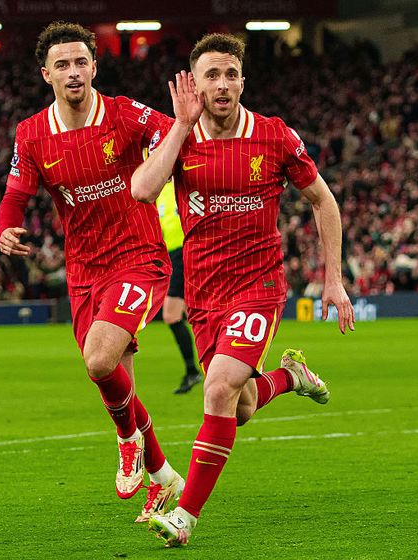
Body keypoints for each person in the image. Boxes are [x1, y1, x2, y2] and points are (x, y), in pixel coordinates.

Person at [131, 33, 355, 547]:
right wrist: (181, 124)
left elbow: (324, 201)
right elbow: (143, 190)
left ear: (242, 80)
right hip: (204, 294)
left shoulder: (274, 136)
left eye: (231, 73)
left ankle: (185, 515)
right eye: (211, 74)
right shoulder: (177, 136)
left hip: (258, 285)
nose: (223, 84)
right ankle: (291, 376)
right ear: (194, 84)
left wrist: (333, 280)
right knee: (243, 402)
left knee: (218, 388)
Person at [0, 22, 184, 523]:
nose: (74, 72)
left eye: (81, 62)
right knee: (121, 380)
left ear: (94, 67)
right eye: (63, 64)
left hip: (138, 256)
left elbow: (172, 130)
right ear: (46, 74)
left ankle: (126, 440)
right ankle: (164, 479)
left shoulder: (123, 113)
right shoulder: (32, 133)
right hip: (84, 268)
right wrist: (6, 229)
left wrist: (168, 147)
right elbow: (16, 196)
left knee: (99, 361)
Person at [156, 181, 203, 394]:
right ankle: (203, 367)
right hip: (173, 256)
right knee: (193, 313)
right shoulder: (158, 191)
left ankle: (194, 370)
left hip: (187, 251)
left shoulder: (182, 182)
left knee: (172, 315)